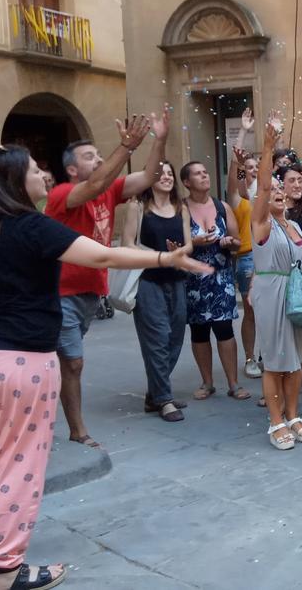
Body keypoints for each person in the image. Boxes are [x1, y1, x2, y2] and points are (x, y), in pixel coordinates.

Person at [0, 145, 209, 590]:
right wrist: (164, 258)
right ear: (14, 181)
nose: (42, 175)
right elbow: (102, 256)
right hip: (22, 363)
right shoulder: (31, 226)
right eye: (33, 169)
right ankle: (6, 571)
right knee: (18, 463)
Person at [45, 104, 169, 450]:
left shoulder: (109, 191)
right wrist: (127, 147)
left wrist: (159, 141)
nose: (98, 160)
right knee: (73, 361)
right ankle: (77, 430)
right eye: (89, 156)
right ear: (72, 169)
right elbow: (98, 182)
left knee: (67, 360)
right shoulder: (61, 196)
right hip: (61, 292)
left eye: (99, 154)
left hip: (88, 293)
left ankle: (54, 417)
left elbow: (149, 177)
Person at [250, 112, 302, 450]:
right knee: (276, 361)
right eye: (274, 188)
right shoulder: (263, 224)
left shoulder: (293, 225)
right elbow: (264, 184)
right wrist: (267, 146)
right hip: (272, 292)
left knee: (294, 361)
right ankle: (275, 421)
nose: (277, 191)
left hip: (297, 293)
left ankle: (293, 415)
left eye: (282, 189)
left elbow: (300, 260)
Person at [121, 161, 192, 422]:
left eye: (170, 174)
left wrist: (179, 252)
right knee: (157, 340)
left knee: (174, 338)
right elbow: (128, 244)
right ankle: (163, 398)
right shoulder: (137, 206)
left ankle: (155, 393)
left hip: (176, 280)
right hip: (148, 281)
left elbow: (188, 246)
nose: (166, 178)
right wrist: (163, 256)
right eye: (160, 174)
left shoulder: (181, 208)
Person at [180, 161, 248, 401]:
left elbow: (238, 240)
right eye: (198, 174)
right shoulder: (181, 209)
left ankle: (233, 383)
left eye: (205, 171)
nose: (204, 176)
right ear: (187, 182)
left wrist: (230, 242)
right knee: (199, 331)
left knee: (224, 329)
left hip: (221, 277)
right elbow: (175, 246)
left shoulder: (222, 206)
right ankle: (207, 382)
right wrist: (195, 243)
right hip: (193, 279)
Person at [228, 108, 262, 378]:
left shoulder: (266, 194)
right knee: (250, 310)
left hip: (271, 256)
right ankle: (250, 357)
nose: (252, 170)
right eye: (248, 168)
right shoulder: (240, 199)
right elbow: (236, 177)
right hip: (249, 257)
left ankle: (268, 354)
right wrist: (243, 132)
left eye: (256, 167)